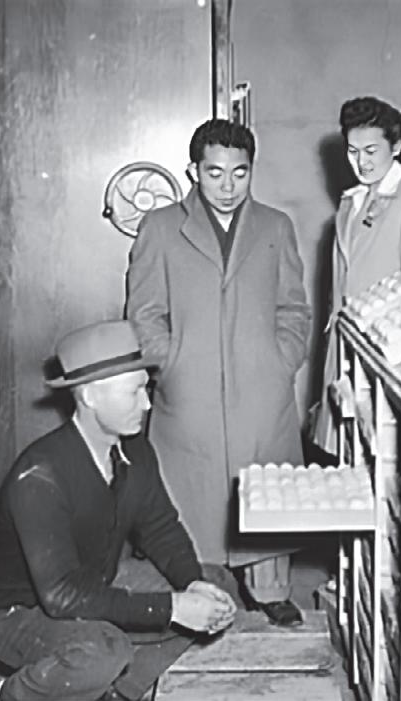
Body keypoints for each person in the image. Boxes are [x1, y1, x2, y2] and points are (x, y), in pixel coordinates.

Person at [0, 321, 238, 701]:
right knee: (103, 650)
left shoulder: (135, 450)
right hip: (16, 614)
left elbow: (161, 528)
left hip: (93, 584)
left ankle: (119, 694)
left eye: (146, 388)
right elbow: (62, 595)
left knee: (217, 587)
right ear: (90, 396)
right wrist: (173, 608)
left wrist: (192, 583)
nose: (147, 404)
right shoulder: (40, 475)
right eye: (134, 392)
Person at [125, 119, 311, 627]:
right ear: (194, 171)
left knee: (266, 483)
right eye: (214, 173)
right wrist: (170, 362)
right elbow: (144, 312)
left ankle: (271, 591)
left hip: (262, 387)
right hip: (190, 390)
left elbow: (294, 308)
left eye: (239, 173)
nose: (227, 186)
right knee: (191, 495)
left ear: (252, 171)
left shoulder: (276, 226)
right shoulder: (160, 227)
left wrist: (282, 359)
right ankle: (197, 586)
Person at [312, 96, 401, 454]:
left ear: (396, 146)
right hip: (344, 351)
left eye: (371, 150)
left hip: (387, 354)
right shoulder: (350, 203)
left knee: (382, 457)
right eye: (353, 151)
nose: (362, 162)